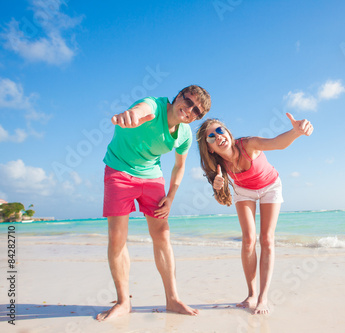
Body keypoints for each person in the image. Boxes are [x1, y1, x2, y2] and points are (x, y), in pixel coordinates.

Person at [97, 85, 211, 321]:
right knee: (117, 236)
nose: (189, 111)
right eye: (188, 102)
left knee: (162, 235)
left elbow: (180, 166)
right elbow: (140, 110)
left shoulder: (184, 134)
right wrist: (131, 116)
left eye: (196, 112)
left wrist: (170, 197)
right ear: (177, 96)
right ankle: (122, 302)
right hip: (119, 169)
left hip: (151, 176)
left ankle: (172, 299)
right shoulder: (153, 105)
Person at [196, 113, 313, 314]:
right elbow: (223, 198)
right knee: (249, 240)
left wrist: (295, 132)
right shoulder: (218, 166)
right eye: (211, 137)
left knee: (266, 239)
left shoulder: (249, 145)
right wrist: (217, 187)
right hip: (244, 192)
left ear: (228, 132)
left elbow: (277, 143)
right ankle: (251, 294)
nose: (218, 136)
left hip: (270, 187)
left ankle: (263, 297)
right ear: (209, 147)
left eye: (219, 130)